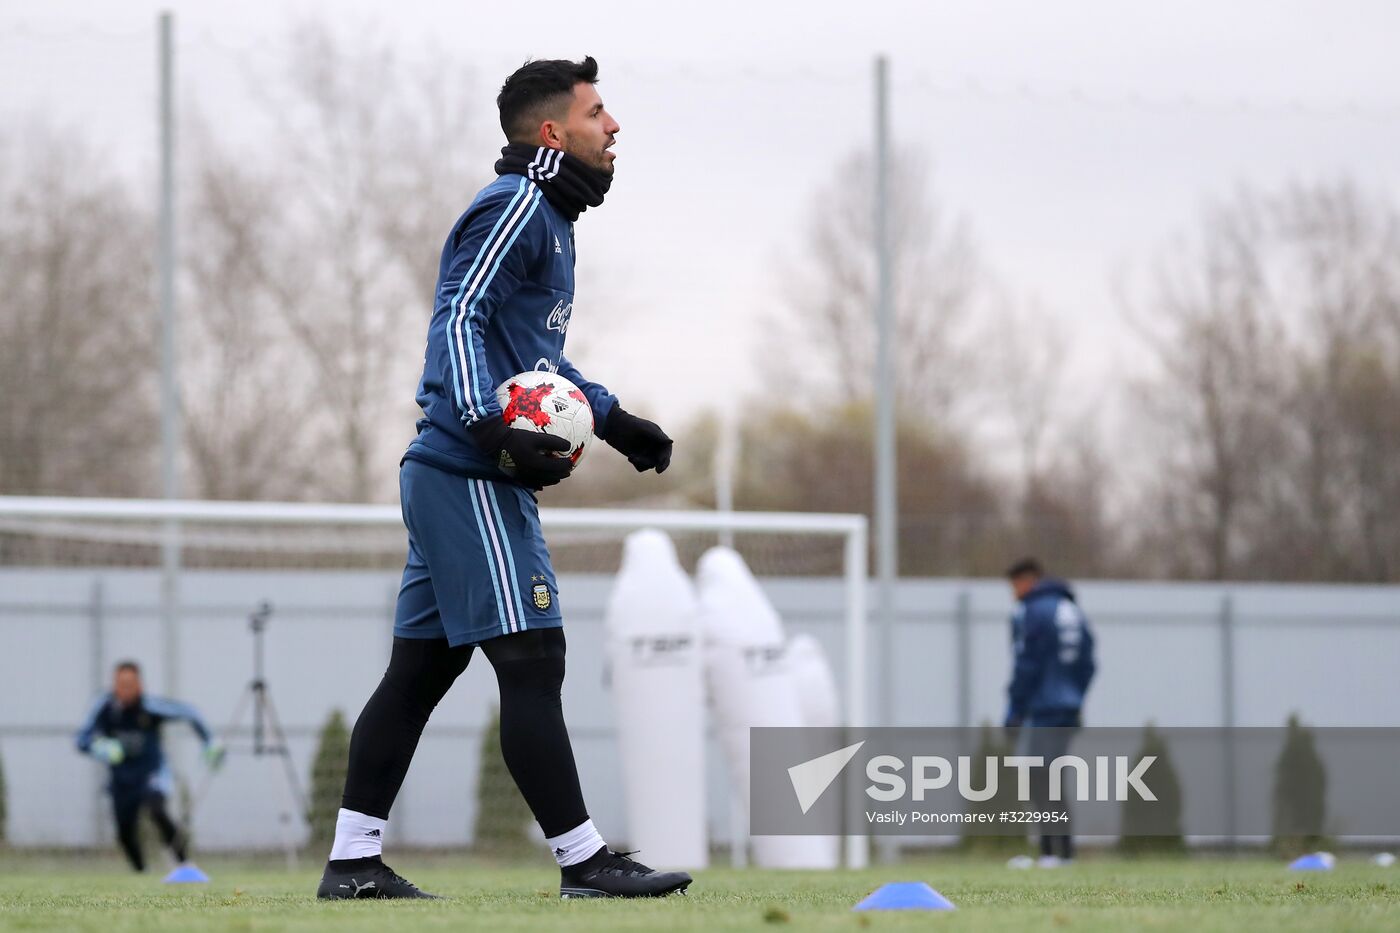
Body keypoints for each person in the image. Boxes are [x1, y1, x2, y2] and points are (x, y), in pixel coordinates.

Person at [316, 56, 688, 901]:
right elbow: (459, 316)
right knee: (532, 656)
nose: (614, 126)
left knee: (419, 674)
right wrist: (486, 421)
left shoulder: (552, 221)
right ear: (553, 132)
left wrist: (611, 418)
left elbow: (534, 359)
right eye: (597, 113)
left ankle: (352, 863)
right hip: (468, 472)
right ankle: (585, 860)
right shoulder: (517, 204)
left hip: (456, 472)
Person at [76, 660, 223, 872]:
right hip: (121, 779)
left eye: (130, 684)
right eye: (121, 684)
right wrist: (100, 747)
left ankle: (185, 865)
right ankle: (140, 872)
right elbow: (81, 740)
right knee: (124, 831)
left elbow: (190, 713)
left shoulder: (151, 706)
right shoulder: (104, 707)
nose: (125, 690)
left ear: (139, 685)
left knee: (157, 809)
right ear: (114, 685)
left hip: (151, 774)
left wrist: (209, 741)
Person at [1003, 558, 1096, 866]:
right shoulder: (1072, 611)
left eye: (1015, 585)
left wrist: (1014, 710)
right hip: (1067, 709)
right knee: (1052, 777)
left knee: (1039, 779)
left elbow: (1026, 664)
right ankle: (1061, 852)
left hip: (1042, 709)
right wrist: (1075, 697)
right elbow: (1088, 664)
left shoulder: (1032, 611)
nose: (1014, 592)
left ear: (1028, 580)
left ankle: (1052, 853)